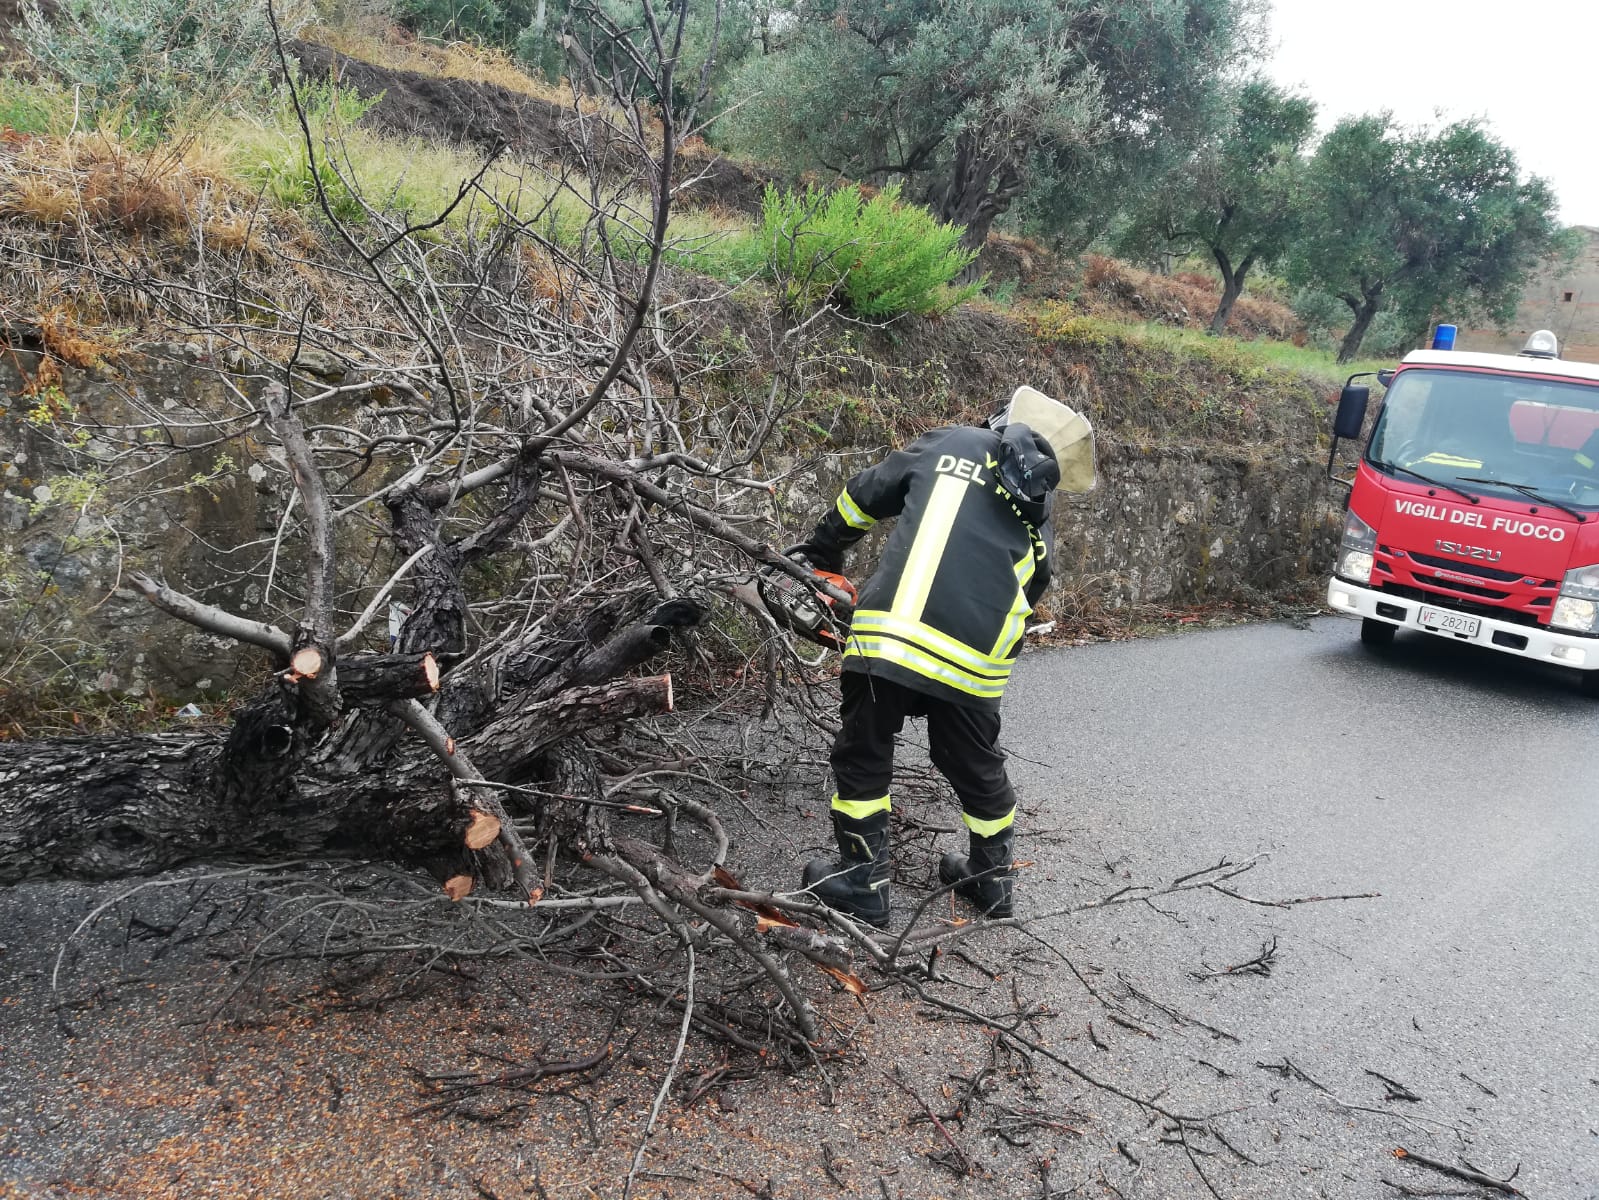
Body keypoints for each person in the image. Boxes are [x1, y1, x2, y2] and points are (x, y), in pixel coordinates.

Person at [788, 418, 1059, 928]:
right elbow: (1035, 584)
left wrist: (824, 548)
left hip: (893, 633)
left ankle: (863, 883)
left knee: (864, 749)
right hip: (977, 661)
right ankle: (992, 879)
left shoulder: (953, 442)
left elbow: (864, 494)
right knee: (975, 762)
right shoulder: (1038, 503)